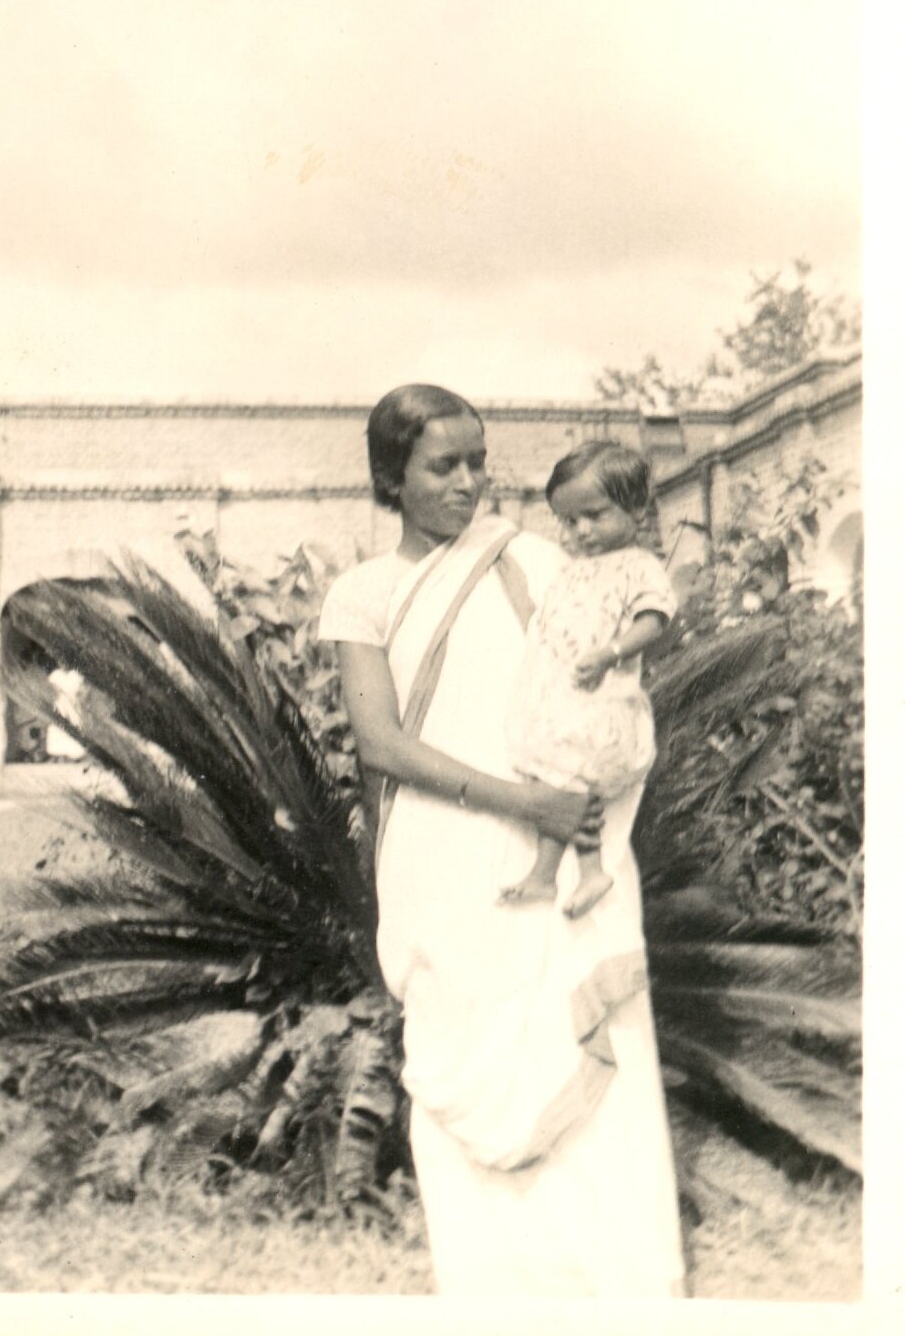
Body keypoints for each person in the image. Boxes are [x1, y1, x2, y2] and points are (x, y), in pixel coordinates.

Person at [318, 385, 685, 1295]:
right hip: (447, 857)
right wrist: (525, 806)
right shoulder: (364, 593)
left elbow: (610, 675)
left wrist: (570, 795)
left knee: (580, 1044)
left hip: (563, 848)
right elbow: (382, 743)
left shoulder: (536, 559)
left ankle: (622, 1291)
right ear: (388, 479)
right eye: (444, 465)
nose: (470, 481)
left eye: (478, 459)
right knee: (465, 1056)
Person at [503, 442, 676, 918]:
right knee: (563, 782)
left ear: (636, 509)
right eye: (569, 520)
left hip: (601, 700)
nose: (580, 530)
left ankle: (554, 874)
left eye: (594, 515)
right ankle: (583, 873)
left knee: (572, 780)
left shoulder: (637, 565)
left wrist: (611, 652)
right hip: (563, 700)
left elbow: (654, 617)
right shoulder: (575, 570)